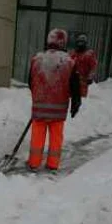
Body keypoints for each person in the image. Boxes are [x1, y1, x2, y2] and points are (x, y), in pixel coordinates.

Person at [27, 29, 81, 172]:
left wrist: (39, 96)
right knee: (56, 138)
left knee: (37, 137)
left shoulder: (36, 59)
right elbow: (75, 85)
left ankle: (34, 163)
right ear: (63, 42)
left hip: (39, 108)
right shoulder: (69, 61)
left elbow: (30, 82)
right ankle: (52, 164)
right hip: (58, 110)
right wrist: (76, 102)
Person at [69, 34, 98, 98]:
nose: (80, 44)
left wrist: (90, 77)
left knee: (81, 100)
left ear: (85, 43)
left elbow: (93, 67)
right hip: (72, 80)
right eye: (79, 42)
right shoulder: (72, 53)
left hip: (83, 81)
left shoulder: (89, 54)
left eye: (82, 42)